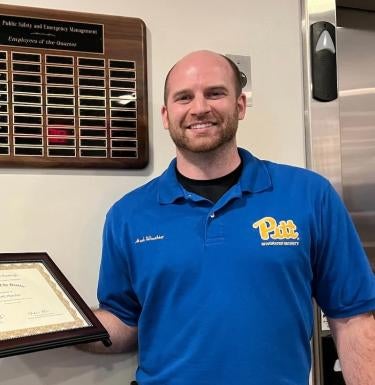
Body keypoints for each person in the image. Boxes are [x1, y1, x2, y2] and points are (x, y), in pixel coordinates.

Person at [82, 50, 375, 385]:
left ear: (239, 106)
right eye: (184, 97)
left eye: (215, 93)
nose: (200, 107)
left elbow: (353, 317)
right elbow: (124, 321)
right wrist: (62, 325)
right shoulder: (128, 215)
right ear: (166, 115)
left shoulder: (310, 196)